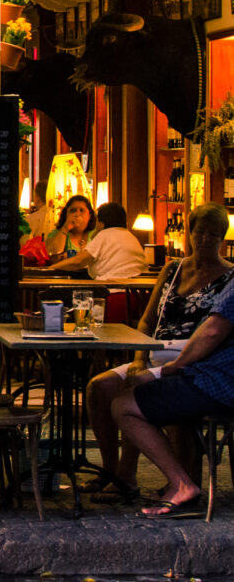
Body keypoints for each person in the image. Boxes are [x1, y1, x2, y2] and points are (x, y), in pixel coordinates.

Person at [83, 203, 234, 502]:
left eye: (213, 235)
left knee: (133, 389)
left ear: (223, 239)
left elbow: (215, 333)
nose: (205, 240)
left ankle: (130, 477)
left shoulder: (230, 277)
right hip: (153, 350)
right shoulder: (172, 268)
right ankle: (112, 470)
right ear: (189, 233)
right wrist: (139, 358)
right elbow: (148, 319)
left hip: (192, 360)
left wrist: (174, 365)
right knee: (98, 387)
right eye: (200, 232)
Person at [113, 247, 234, 518]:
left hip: (220, 382)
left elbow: (212, 332)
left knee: (124, 404)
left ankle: (182, 484)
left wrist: (175, 367)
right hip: (214, 376)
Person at [49, 202, 145, 280]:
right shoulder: (132, 237)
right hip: (137, 294)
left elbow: (78, 261)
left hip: (113, 292)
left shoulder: (104, 235)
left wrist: (51, 268)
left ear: (102, 223)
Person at [45, 194, 96, 262]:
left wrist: (68, 255)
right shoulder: (56, 233)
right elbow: (54, 251)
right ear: (66, 214)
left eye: (81, 210)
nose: (77, 214)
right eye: (73, 210)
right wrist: (66, 228)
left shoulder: (95, 234)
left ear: (89, 216)